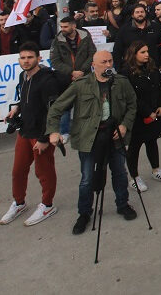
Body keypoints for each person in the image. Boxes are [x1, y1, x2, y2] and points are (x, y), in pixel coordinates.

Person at [46, 50, 139, 235]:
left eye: (110, 61)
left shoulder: (120, 82)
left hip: (115, 137)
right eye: (103, 62)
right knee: (87, 179)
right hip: (89, 138)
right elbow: (57, 107)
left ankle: (123, 204)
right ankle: (85, 213)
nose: (108, 65)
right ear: (93, 65)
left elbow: (132, 104)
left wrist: (124, 126)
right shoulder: (81, 85)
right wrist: (53, 131)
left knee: (120, 173)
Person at [0, 42, 66, 227]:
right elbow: (25, 98)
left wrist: (45, 138)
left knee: (43, 171)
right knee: (18, 171)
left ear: (39, 58)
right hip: (24, 132)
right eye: (23, 58)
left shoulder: (47, 80)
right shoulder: (23, 76)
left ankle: (47, 205)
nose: (26, 61)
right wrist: (16, 109)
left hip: (40, 135)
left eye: (30, 57)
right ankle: (19, 203)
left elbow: (53, 111)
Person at [122, 41, 161, 192]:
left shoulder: (152, 67)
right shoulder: (125, 72)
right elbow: (131, 96)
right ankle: (134, 177)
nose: (146, 55)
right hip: (137, 117)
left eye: (147, 51)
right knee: (134, 147)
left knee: (152, 142)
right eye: (142, 52)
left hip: (155, 113)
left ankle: (156, 170)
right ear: (134, 54)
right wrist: (146, 111)